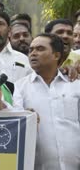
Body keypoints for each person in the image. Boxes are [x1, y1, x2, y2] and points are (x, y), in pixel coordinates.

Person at [13, 33, 80, 169]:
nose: (33, 53)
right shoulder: (19, 88)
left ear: (56, 55)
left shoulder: (75, 84)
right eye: (31, 50)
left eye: (40, 49)